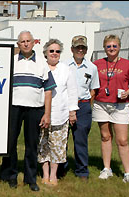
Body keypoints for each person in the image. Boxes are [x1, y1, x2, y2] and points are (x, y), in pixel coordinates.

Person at [0, 31, 56, 191]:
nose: (25, 44)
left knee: (31, 144)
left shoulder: (42, 63)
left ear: (33, 43)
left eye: (28, 41)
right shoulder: (11, 62)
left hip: (35, 108)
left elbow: (48, 90)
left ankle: (31, 179)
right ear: (18, 44)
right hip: (14, 107)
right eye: (22, 41)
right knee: (10, 142)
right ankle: (10, 176)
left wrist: (47, 113)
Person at [92, 34, 129, 186]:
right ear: (104, 48)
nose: (112, 49)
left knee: (122, 140)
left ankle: (128, 173)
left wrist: (128, 92)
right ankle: (106, 169)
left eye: (114, 46)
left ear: (119, 47)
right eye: (109, 46)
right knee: (105, 137)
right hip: (101, 104)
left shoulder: (127, 65)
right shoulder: (97, 64)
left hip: (120, 105)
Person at [38, 39, 79, 186]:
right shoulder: (40, 67)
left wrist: (72, 111)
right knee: (43, 145)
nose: (54, 54)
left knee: (57, 146)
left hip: (60, 115)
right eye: (51, 51)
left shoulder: (66, 69)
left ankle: (54, 175)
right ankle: (45, 174)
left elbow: (72, 91)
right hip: (42, 113)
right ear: (46, 53)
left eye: (57, 51)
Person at [60, 35, 100, 180]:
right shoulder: (63, 65)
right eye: (77, 47)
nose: (80, 50)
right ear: (72, 49)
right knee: (62, 138)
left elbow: (93, 89)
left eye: (83, 48)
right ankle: (60, 168)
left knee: (81, 139)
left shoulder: (92, 68)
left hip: (83, 105)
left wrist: (86, 106)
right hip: (65, 104)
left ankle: (82, 170)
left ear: (86, 50)